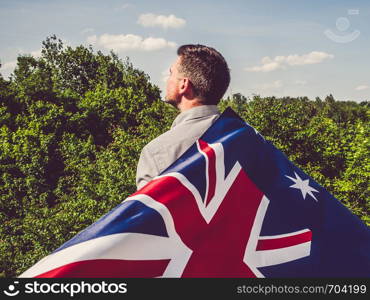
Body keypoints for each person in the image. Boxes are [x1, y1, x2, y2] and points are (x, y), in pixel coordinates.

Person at [136, 44, 231, 190]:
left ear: (183, 85)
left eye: (171, 74)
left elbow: (149, 212)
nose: (167, 80)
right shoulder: (250, 140)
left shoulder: (158, 152)